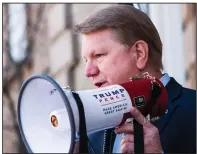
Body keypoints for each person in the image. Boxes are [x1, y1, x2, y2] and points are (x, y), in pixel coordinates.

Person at [74, 4, 196, 153]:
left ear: (139, 53)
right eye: (86, 60)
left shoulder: (192, 110)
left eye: (99, 56)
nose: (88, 71)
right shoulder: (92, 136)